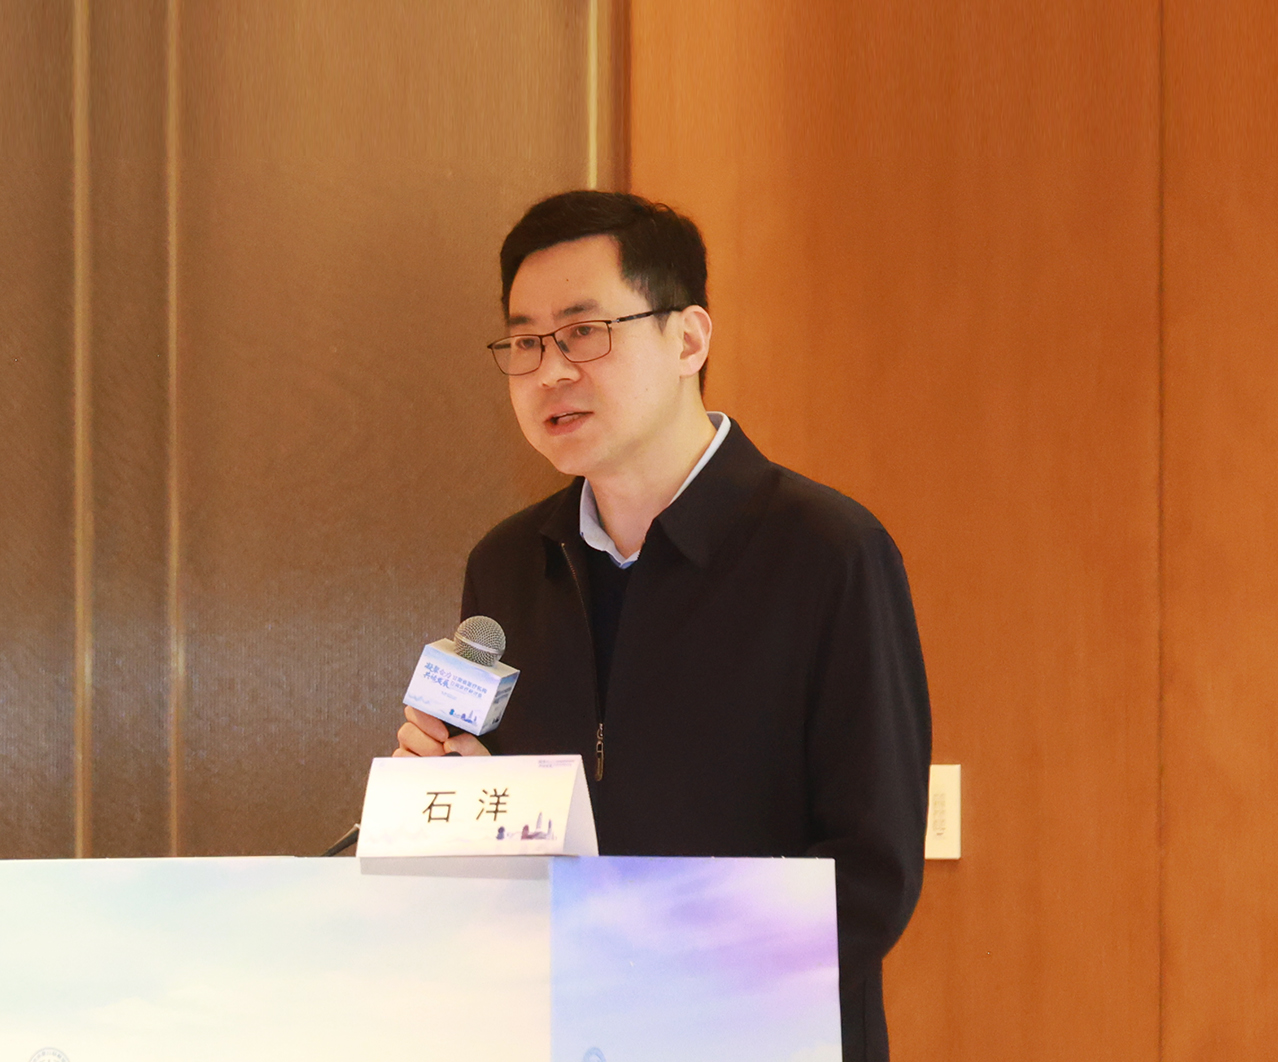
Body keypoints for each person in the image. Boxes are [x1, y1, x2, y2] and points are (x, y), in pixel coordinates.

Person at [395, 190, 931, 1062]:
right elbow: (508, 846)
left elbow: (870, 877)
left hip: (758, 1040)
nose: (549, 372)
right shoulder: (509, 565)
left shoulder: (827, 552)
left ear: (689, 340)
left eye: (583, 332)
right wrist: (443, 799)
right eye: (525, 343)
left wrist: (641, 972)